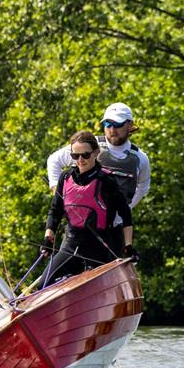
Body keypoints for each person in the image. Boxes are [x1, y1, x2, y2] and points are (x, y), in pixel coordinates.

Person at [46, 102, 150, 256]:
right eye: (108, 123)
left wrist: (123, 210)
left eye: (118, 124)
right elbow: (54, 161)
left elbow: (143, 187)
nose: (112, 129)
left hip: (113, 231)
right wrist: (58, 192)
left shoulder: (140, 158)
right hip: (79, 229)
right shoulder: (89, 145)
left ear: (129, 125)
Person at [39, 131, 137, 287]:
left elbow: (125, 214)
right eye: (75, 156)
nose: (80, 160)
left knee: (92, 286)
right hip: (72, 243)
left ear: (96, 152)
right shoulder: (65, 177)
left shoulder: (107, 181)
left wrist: (128, 246)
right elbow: (55, 210)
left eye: (85, 155)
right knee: (43, 284)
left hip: (99, 248)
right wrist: (48, 237)